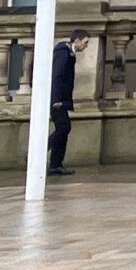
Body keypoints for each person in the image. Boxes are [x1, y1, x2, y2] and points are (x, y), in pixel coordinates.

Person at [46, 29, 91, 175]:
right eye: (85, 42)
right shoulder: (63, 52)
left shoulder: (68, 53)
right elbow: (57, 76)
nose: (86, 46)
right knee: (64, 128)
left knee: (64, 128)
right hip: (57, 100)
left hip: (61, 99)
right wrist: (56, 99)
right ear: (76, 40)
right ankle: (41, 153)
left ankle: (56, 163)